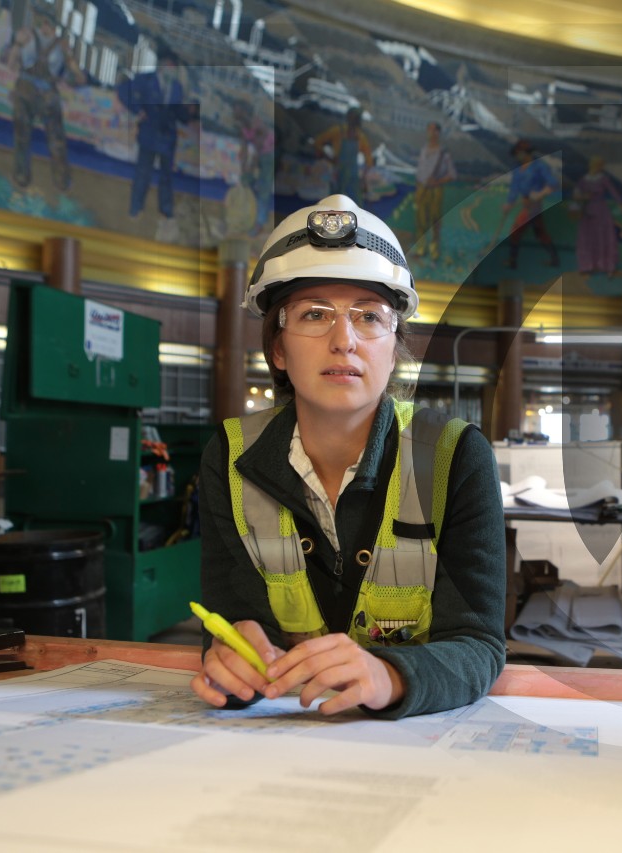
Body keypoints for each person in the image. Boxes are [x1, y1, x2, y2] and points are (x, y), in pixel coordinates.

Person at [190, 194, 507, 719]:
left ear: (393, 345)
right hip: (279, 742)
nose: (345, 341)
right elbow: (236, 619)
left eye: (369, 318)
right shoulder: (229, 455)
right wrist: (232, 659)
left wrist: (389, 675)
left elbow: (478, 644)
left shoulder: (456, 456)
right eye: (315, 315)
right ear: (278, 349)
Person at [1, 5, 86, 190]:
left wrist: (76, 74)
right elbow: (10, 64)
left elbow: (75, 72)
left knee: (50, 139)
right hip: (32, 92)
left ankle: (57, 181)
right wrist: (17, 45)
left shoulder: (58, 44)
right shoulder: (28, 36)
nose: (45, 25)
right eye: (43, 21)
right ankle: (28, 177)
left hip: (38, 93)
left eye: (48, 22)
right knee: (27, 137)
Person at [117, 47, 197, 220]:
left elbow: (177, 112)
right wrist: (138, 110)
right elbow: (123, 90)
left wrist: (189, 114)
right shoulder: (146, 80)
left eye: (175, 68)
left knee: (166, 177)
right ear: (162, 66)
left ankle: (166, 211)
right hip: (149, 135)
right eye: (170, 66)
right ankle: (136, 208)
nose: (172, 70)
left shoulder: (177, 87)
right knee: (143, 173)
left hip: (168, 138)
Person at [501, 139, 560, 269]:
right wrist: (509, 203)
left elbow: (553, 184)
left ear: (525, 152)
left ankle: (512, 261)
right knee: (540, 233)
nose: (517, 155)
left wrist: (539, 194)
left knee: (515, 231)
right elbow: (514, 189)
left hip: (534, 205)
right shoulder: (518, 170)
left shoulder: (539, 166)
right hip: (525, 203)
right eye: (516, 153)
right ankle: (555, 259)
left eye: (518, 152)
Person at [412, 121, 457, 261]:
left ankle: (434, 251)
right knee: (420, 220)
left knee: (435, 220)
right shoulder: (424, 149)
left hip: (435, 190)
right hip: (421, 189)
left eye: (433, 130)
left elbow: (452, 175)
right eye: (429, 130)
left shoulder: (443, 153)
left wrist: (437, 182)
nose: (431, 133)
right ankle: (420, 249)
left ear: (438, 133)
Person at [573, 155, 622, 275]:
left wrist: (621, 204)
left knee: (603, 236)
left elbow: (613, 192)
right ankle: (587, 265)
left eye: (601, 165)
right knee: (587, 238)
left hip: (601, 211)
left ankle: (606, 265)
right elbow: (576, 193)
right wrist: (583, 196)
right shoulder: (584, 179)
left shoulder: (603, 178)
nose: (600, 167)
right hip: (587, 211)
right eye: (598, 165)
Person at [232, 99, 277, 229]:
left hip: (269, 156)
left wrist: (251, 166)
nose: (236, 114)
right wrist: (244, 169)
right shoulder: (243, 126)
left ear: (245, 112)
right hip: (260, 155)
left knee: (263, 188)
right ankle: (249, 214)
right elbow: (244, 149)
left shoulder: (256, 124)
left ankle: (260, 222)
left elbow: (259, 147)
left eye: (238, 111)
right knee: (247, 182)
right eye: (235, 112)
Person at [315, 106, 373, 201]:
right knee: (334, 202)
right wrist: (328, 158)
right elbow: (318, 142)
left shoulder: (360, 137)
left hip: (353, 177)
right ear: (349, 118)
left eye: (358, 118)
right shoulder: (338, 131)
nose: (356, 121)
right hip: (338, 174)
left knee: (355, 203)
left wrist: (363, 178)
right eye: (355, 118)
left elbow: (369, 160)